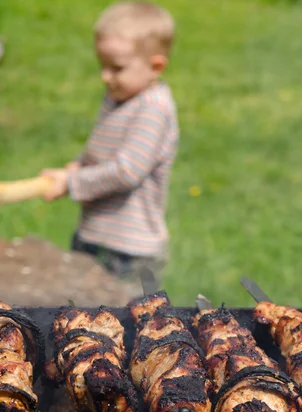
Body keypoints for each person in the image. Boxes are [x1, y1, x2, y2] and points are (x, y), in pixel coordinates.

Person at [41, 1, 179, 293]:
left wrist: (72, 183)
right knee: (81, 318)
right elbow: (103, 146)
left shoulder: (154, 109)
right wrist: (79, 165)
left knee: (130, 327)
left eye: (116, 68)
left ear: (156, 66)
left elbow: (127, 171)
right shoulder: (117, 96)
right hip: (93, 236)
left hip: (130, 251)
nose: (105, 76)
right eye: (102, 65)